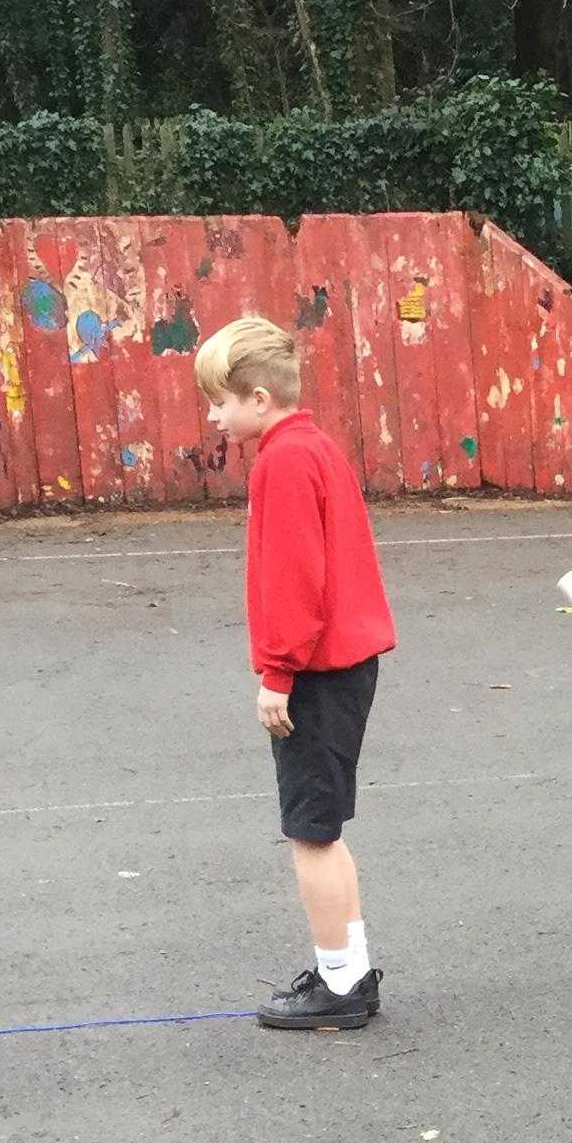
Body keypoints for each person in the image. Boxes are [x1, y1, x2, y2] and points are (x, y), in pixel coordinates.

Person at [201, 315, 397, 1034]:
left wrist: (277, 673)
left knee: (309, 832)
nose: (214, 416)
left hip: (317, 672)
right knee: (325, 829)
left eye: (220, 401)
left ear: (258, 398)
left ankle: (340, 984)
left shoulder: (281, 462)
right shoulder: (315, 448)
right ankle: (350, 971)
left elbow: (294, 580)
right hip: (344, 664)